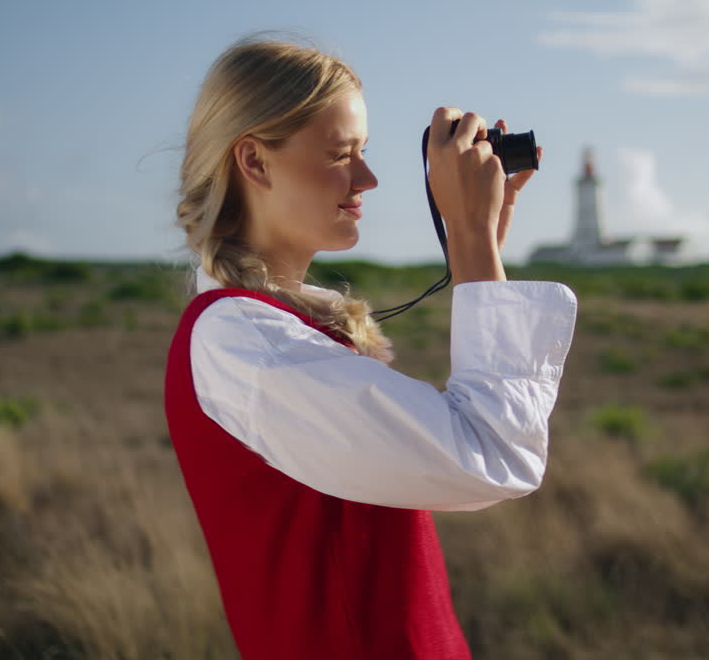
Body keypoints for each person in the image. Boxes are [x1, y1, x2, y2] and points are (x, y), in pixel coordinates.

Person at [163, 35, 577, 659]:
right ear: (254, 162)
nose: (368, 178)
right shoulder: (246, 343)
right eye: (340, 154)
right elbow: (493, 453)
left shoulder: (275, 330)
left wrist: (481, 245)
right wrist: (467, 240)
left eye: (364, 152)